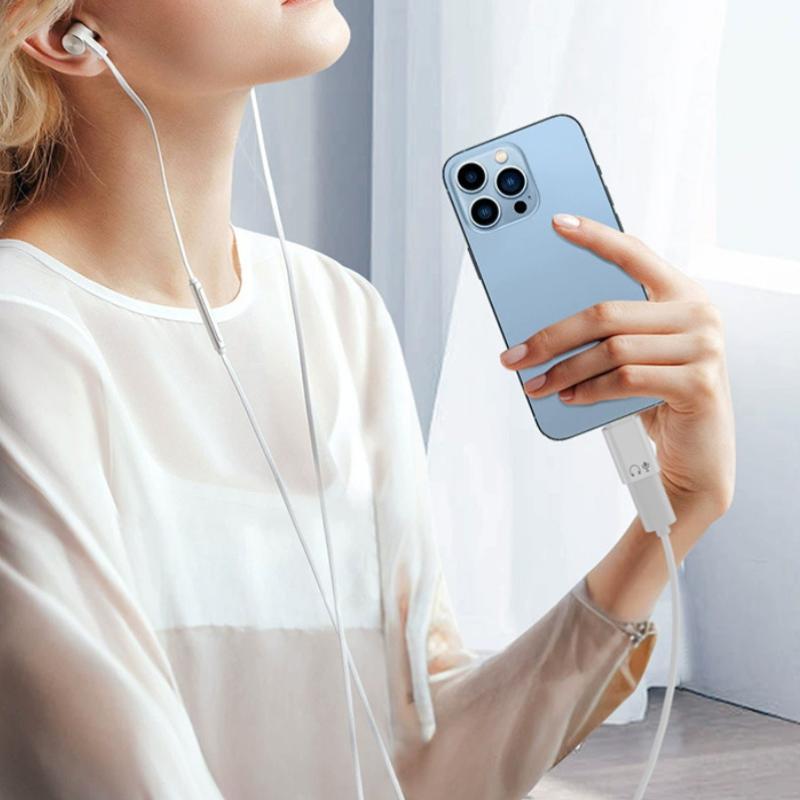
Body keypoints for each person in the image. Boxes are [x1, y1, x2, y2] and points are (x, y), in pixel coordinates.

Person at [0, 1, 736, 798]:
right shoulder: (22, 342)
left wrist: (679, 509)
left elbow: (422, 766)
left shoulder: (337, 312)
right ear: (64, 32)